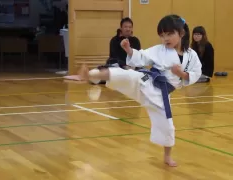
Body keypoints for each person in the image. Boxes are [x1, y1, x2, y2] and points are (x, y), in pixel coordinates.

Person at [68, 14, 202, 166]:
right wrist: (129, 50)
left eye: (170, 34)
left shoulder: (192, 56)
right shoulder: (160, 50)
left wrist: (182, 74)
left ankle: (167, 157)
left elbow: (195, 74)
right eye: (162, 35)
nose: (165, 39)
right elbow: (142, 56)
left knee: (168, 126)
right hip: (146, 81)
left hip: (161, 95)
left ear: (181, 33)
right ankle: (90, 75)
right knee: (123, 74)